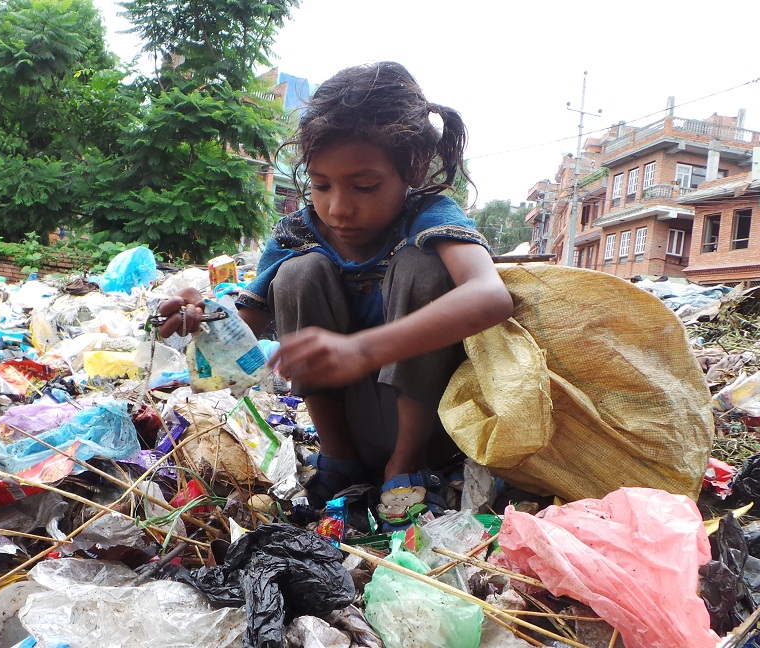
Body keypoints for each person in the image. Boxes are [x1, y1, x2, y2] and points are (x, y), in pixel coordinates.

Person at [158, 61, 513, 527]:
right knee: (298, 274)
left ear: (414, 166)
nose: (338, 207)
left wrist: (362, 350)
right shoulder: (299, 232)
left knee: (420, 265)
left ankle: (404, 469)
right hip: (349, 427)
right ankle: (339, 461)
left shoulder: (428, 217)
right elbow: (244, 329)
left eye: (364, 186)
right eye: (321, 185)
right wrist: (201, 321)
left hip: (431, 435)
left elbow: (490, 295)